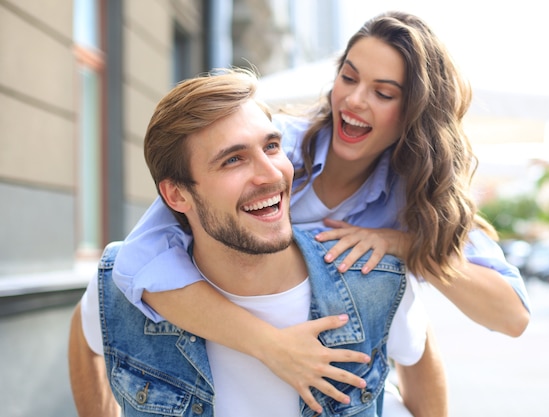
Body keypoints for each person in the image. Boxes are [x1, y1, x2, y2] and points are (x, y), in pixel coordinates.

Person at [106, 10, 530, 413]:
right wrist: (271, 346)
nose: (355, 100)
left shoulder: (417, 195)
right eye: (348, 77)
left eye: (383, 93)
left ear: (414, 113)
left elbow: (510, 316)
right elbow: (135, 261)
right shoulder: (274, 148)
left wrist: (405, 244)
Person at [68, 69, 431, 416]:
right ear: (177, 195)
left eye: (272, 146)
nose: (272, 174)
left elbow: (420, 362)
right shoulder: (120, 286)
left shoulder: (375, 280)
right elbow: (85, 339)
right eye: (234, 159)